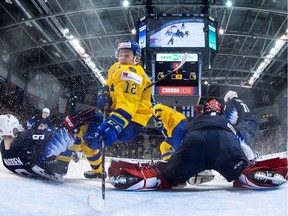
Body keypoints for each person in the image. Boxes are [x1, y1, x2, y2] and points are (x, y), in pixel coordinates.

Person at [107, 98, 287, 190]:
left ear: (204, 109)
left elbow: (176, 137)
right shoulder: (227, 123)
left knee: (164, 175)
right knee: (242, 169)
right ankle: (250, 174)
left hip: (194, 143)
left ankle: (145, 177)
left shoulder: (194, 121)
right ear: (220, 110)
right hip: (225, 142)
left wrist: (171, 160)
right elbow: (248, 129)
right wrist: (249, 160)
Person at [67, 40, 153, 178]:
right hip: (120, 115)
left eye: (127, 55)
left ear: (135, 58)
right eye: (120, 54)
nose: (122, 58)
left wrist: (113, 125)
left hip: (130, 121)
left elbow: (128, 104)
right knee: (86, 133)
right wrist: (105, 91)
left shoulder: (132, 73)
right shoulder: (116, 67)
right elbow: (109, 83)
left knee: (83, 125)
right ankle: (98, 172)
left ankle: (59, 166)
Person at [0, 114, 74, 182]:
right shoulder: (26, 136)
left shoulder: (4, 154)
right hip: (55, 166)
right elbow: (57, 137)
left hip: (33, 166)